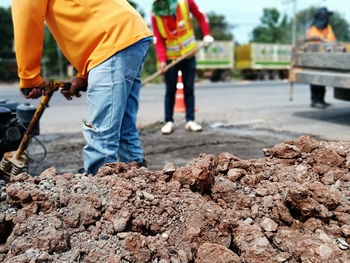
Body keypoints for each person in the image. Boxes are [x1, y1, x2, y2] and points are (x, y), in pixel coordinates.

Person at [12, 0, 153, 175]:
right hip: (129, 33)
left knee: (102, 130)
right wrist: (82, 76)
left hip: (112, 40)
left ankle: (100, 179)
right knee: (122, 121)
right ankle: (134, 170)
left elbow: (27, 19)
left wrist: (29, 77)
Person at [151, 0, 214, 134]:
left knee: (189, 87)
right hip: (170, 58)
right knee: (170, 89)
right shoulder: (155, 13)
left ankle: (190, 120)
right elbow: (158, 39)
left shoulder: (185, 3)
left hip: (189, 54)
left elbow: (200, 16)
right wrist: (162, 60)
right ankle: (169, 121)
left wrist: (206, 34)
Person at [307, 7, 336, 109]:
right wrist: (324, 41)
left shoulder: (327, 28)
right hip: (314, 57)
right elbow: (314, 41)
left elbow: (331, 39)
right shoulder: (313, 28)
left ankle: (321, 100)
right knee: (315, 81)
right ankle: (315, 101)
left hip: (324, 57)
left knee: (322, 81)